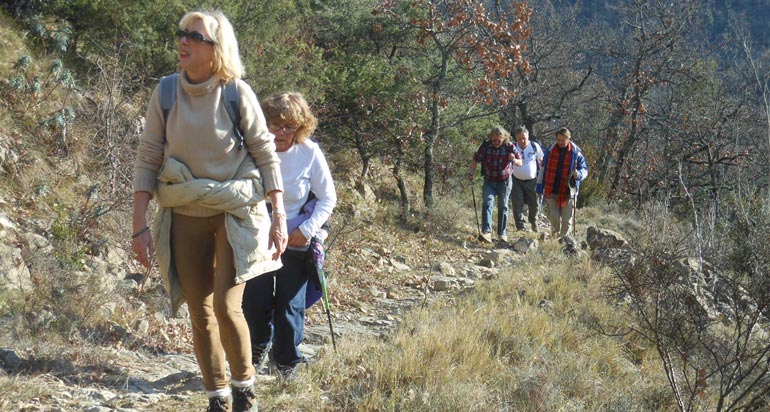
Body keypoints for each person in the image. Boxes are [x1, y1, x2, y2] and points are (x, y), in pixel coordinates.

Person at [131, 10, 287, 412]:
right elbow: (148, 156)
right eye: (182, 33)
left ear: (217, 49)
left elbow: (265, 153)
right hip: (184, 211)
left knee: (225, 305)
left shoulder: (236, 92)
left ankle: (244, 390)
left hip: (234, 212)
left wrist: (279, 215)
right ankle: (217, 396)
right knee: (199, 311)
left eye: (195, 36)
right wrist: (139, 226)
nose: (183, 40)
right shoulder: (166, 92)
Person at [243, 92, 337, 381]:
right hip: (256, 238)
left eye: (290, 126)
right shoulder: (251, 149)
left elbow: (328, 198)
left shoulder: (309, 152)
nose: (282, 132)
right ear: (264, 123)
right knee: (255, 303)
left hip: (296, 239)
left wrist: (305, 231)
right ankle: (256, 351)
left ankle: (286, 362)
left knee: (290, 305)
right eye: (275, 124)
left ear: (301, 127)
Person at [467, 126, 522, 243]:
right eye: (494, 140)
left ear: (504, 138)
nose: (496, 142)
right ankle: (487, 232)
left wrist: (513, 160)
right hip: (489, 180)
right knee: (487, 203)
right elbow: (475, 159)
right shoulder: (486, 146)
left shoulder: (509, 146)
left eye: (499, 140)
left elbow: (520, 162)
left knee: (503, 206)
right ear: (491, 138)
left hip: (505, 181)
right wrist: (471, 172)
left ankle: (502, 234)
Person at [536, 127, 588, 238]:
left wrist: (578, 174)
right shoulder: (549, 151)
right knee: (553, 217)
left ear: (568, 139)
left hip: (569, 192)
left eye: (562, 140)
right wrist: (540, 187)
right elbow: (543, 169)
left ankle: (564, 240)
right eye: (558, 140)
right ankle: (555, 238)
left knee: (566, 220)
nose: (560, 142)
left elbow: (584, 169)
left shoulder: (576, 153)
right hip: (551, 189)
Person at [510, 126, 544, 232]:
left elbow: (541, 161)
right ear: (516, 138)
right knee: (517, 202)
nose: (522, 140)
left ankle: (533, 221)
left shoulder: (534, 146)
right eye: (519, 138)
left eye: (524, 138)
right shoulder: (512, 147)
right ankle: (521, 226)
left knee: (534, 202)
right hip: (516, 179)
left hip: (532, 179)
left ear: (528, 136)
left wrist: (542, 180)